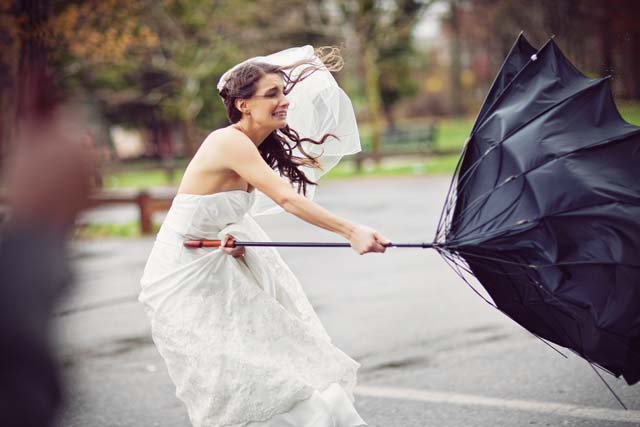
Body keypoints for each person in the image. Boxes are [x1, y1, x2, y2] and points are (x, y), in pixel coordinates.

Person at [139, 47, 388, 427]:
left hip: (215, 260)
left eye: (283, 92)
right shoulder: (228, 141)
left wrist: (227, 236)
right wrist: (351, 231)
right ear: (243, 105)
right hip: (183, 275)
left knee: (272, 358)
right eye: (272, 94)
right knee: (237, 372)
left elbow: (216, 210)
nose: (285, 101)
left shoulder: (250, 145)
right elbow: (287, 198)